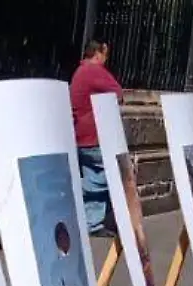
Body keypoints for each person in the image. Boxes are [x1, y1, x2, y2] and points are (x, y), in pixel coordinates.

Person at [69, 39, 123, 235]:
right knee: (112, 175)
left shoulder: (80, 71)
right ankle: (105, 221)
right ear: (100, 52)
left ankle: (92, 222)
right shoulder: (94, 71)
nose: (106, 60)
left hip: (81, 136)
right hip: (94, 136)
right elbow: (117, 93)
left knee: (94, 177)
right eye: (105, 54)